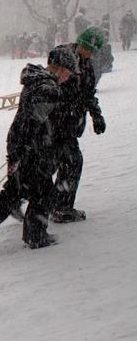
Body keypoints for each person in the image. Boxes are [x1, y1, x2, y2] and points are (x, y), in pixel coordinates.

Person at [0, 47, 78, 250]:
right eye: (69, 73)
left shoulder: (38, 81)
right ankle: (35, 236)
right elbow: (35, 121)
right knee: (43, 192)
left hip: (21, 144)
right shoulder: (48, 89)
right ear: (61, 70)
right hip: (31, 149)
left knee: (16, 190)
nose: (68, 78)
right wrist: (30, 149)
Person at [49, 27, 106, 223]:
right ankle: (61, 207)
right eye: (88, 48)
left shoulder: (87, 65)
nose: (90, 53)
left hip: (69, 123)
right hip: (56, 122)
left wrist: (96, 115)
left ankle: (37, 202)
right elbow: (50, 84)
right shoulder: (62, 56)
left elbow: (88, 93)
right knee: (71, 163)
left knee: (52, 164)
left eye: (92, 51)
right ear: (81, 43)